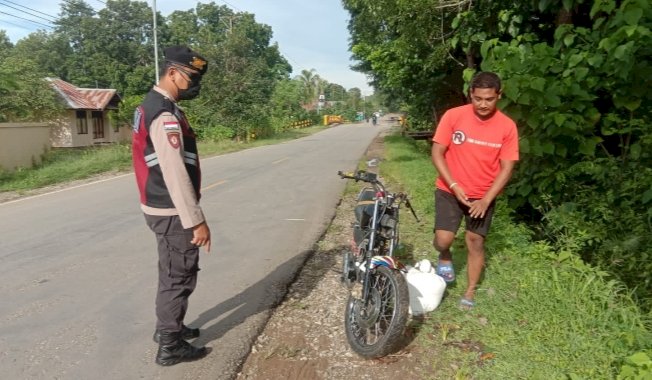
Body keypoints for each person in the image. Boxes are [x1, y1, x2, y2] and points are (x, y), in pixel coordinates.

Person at [132, 45, 211, 366]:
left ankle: (170, 327)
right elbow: (174, 171)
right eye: (190, 78)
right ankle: (169, 345)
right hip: (171, 209)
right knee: (179, 275)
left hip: (157, 204)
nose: (194, 85)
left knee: (170, 270)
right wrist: (196, 220)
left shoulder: (151, 105)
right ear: (173, 73)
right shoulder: (163, 114)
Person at [431, 71, 519, 310]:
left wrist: (486, 199)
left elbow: (507, 167)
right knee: (443, 239)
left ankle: (469, 292)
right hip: (450, 189)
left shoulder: (507, 126)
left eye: (488, 99)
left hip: (483, 195)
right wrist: (454, 185)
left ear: (498, 96)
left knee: (475, 241)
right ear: (470, 94)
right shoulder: (453, 116)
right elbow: (437, 153)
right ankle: (445, 255)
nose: (482, 104)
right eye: (477, 98)